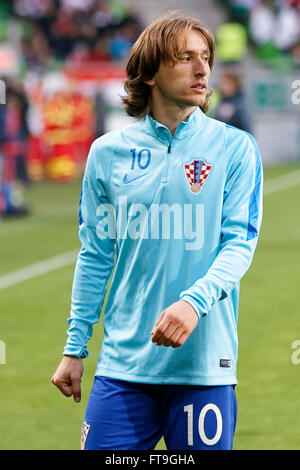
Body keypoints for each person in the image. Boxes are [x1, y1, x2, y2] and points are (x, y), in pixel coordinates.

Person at [51, 10, 263, 450]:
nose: (203, 69)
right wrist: (75, 348)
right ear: (148, 72)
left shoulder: (235, 148)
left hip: (202, 366)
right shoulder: (107, 154)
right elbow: (94, 254)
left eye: (206, 57)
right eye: (186, 57)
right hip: (122, 369)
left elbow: (238, 245)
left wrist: (193, 302)